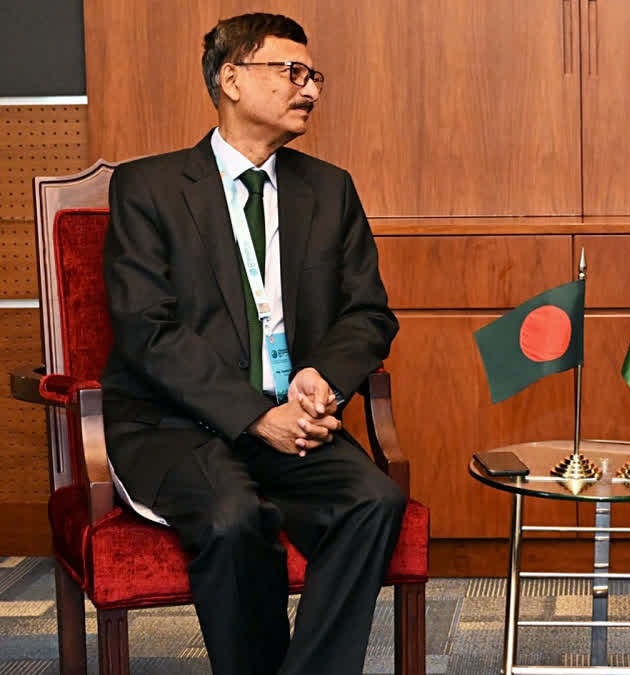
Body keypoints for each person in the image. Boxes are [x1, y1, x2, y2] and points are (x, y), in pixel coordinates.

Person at [101, 13, 405, 675]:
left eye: (313, 74)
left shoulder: (329, 189)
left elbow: (369, 313)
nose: (310, 89)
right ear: (231, 79)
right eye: (290, 71)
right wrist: (254, 413)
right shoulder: (148, 189)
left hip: (293, 421)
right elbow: (147, 331)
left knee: (374, 499)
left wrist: (324, 375)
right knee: (233, 517)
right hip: (176, 425)